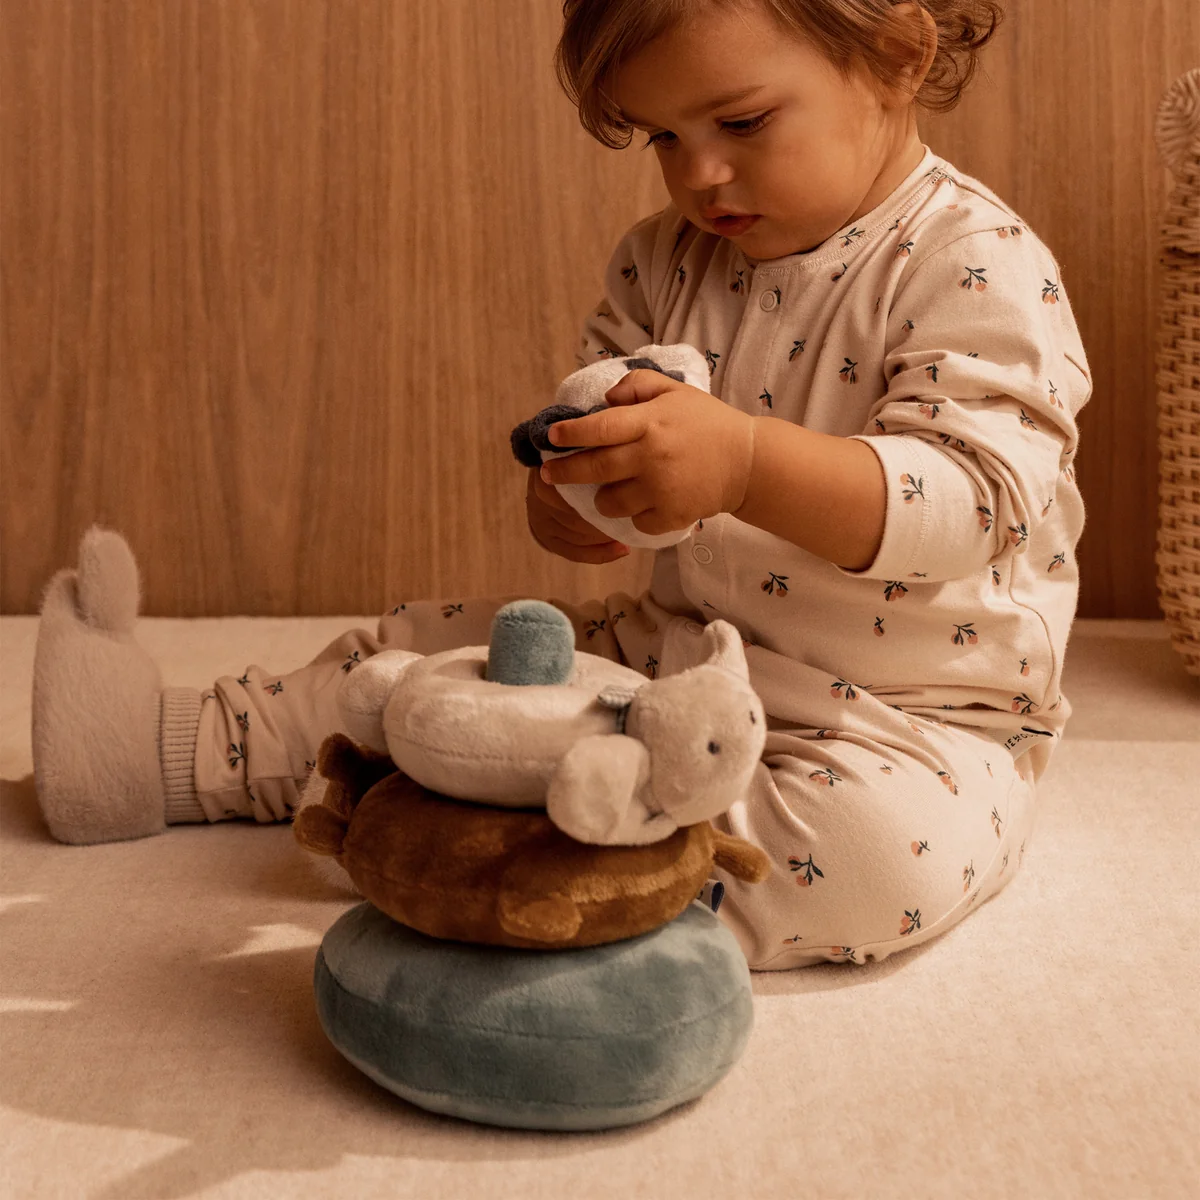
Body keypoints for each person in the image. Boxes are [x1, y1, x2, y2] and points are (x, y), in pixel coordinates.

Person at [31, 0, 1089, 970]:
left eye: (743, 122)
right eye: (663, 137)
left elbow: (978, 502)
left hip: (908, 720)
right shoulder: (662, 261)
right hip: (673, 660)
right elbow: (605, 469)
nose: (700, 174)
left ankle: (507, 866)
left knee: (871, 854)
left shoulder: (973, 261)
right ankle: (162, 750)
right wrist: (582, 501)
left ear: (896, 56)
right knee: (438, 662)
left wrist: (744, 462)